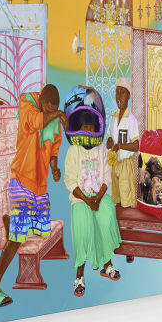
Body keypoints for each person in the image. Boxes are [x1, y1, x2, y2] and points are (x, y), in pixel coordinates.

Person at [0, 83, 66, 307]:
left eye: (54, 110)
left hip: (40, 185)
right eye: (49, 109)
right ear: (41, 101)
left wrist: (54, 167)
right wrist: (58, 114)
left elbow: (54, 148)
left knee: (39, 231)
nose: (51, 113)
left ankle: (12, 224)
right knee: (18, 239)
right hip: (21, 179)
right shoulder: (27, 103)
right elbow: (37, 121)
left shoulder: (52, 117)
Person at [62, 86, 123, 297]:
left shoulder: (101, 149)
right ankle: (79, 276)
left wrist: (97, 198)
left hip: (99, 195)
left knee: (106, 216)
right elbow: (70, 181)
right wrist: (88, 201)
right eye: (84, 128)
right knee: (83, 226)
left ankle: (107, 265)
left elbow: (106, 177)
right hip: (80, 199)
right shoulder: (73, 151)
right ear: (79, 129)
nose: (88, 131)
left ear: (96, 128)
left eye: (91, 127)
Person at [108, 83, 141, 210]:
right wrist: (109, 141)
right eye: (117, 92)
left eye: (122, 92)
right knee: (116, 200)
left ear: (128, 96)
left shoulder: (131, 119)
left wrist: (119, 146)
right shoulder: (113, 117)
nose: (119, 95)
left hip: (125, 165)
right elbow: (110, 136)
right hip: (114, 163)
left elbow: (136, 146)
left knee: (126, 202)